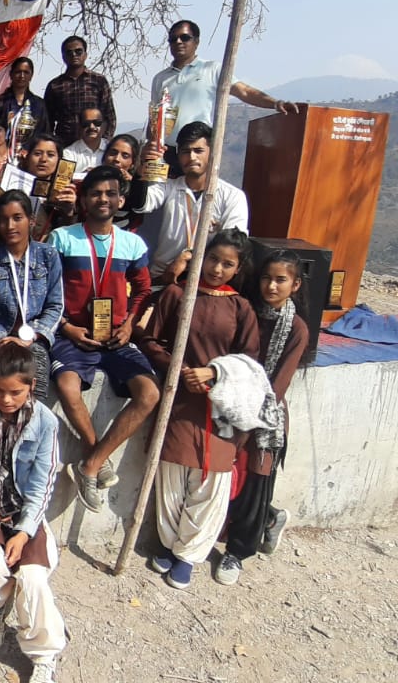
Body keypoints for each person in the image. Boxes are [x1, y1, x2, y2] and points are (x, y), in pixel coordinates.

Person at [140, 228, 260, 590]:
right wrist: (178, 368)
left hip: (219, 403)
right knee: (173, 472)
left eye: (227, 264)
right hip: (179, 398)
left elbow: (249, 359)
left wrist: (214, 373)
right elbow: (150, 340)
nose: (217, 269)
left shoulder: (241, 308)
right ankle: (169, 543)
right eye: (213, 259)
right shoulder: (177, 294)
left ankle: (189, 554)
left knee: (211, 481)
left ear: (238, 269)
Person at [47, 165, 158, 512]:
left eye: (111, 193)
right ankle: (96, 453)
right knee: (67, 386)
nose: (103, 199)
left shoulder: (132, 243)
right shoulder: (62, 238)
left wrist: (128, 326)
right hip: (73, 335)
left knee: (149, 394)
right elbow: (46, 289)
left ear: (121, 200)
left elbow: (143, 289)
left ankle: (91, 464)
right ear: (83, 200)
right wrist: (66, 326)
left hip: (115, 337)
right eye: (95, 193)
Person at [0, 344, 66, 683]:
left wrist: (23, 531)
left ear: (31, 386)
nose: (6, 399)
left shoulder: (46, 422)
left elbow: (42, 483)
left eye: (16, 392)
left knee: (33, 577)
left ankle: (45, 655)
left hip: (21, 507)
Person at [219, 250, 308, 584]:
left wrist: (250, 417)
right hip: (230, 402)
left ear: (295, 285)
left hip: (265, 413)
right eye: (267, 278)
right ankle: (269, 518)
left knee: (256, 479)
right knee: (229, 476)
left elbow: (278, 384)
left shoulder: (296, 328)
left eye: (280, 280)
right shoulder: (247, 311)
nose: (271, 286)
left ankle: (237, 553)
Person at [0, 190, 65, 399]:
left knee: (35, 391)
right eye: (4, 220)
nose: (10, 226)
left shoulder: (48, 255)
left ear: (31, 220)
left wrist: (32, 336)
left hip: (34, 339)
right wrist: (1, 338)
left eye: (17, 218)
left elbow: (55, 305)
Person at [137, 121, 249, 285]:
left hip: (207, 280)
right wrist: (143, 166)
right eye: (185, 151)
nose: (191, 157)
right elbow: (141, 204)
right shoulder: (169, 187)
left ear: (213, 152)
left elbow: (232, 243)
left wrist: (187, 256)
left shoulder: (233, 196)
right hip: (163, 276)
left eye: (198, 151)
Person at [150, 20, 298, 133]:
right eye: (173, 39)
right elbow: (154, 118)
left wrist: (275, 104)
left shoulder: (212, 69)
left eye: (184, 37)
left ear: (196, 42)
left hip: (199, 150)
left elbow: (244, 92)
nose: (178, 42)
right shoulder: (160, 79)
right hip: (165, 153)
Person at [43, 35, 116, 147]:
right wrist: (52, 145)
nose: (74, 55)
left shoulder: (98, 81)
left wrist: (104, 142)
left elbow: (109, 117)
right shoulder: (55, 85)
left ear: (85, 55)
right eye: (69, 52)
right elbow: (48, 121)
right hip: (65, 145)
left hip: (93, 146)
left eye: (78, 51)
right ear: (63, 56)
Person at [20, 133, 78, 241]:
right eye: (37, 153)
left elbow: (70, 235)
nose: (43, 159)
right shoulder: (12, 183)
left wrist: (69, 212)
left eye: (50, 155)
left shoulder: (66, 191)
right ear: (27, 157)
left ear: (59, 160)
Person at [0, 57, 50, 138]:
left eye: (26, 72)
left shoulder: (39, 104)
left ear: (31, 75)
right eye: (18, 72)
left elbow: (44, 133)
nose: (22, 76)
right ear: (11, 74)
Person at [102, 134, 143, 231]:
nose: (117, 159)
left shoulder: (134, 188)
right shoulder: (90, 180)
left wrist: (133, 183)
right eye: (113, 153)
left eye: (125, 156)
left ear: (132, 163)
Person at [62, 107, 106, 173]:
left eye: (97, 123)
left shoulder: (111, 149)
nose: (91, 127)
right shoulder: (68, 154)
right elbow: (64, 178)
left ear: (104, 125)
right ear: (79, 126)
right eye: (86, 123)